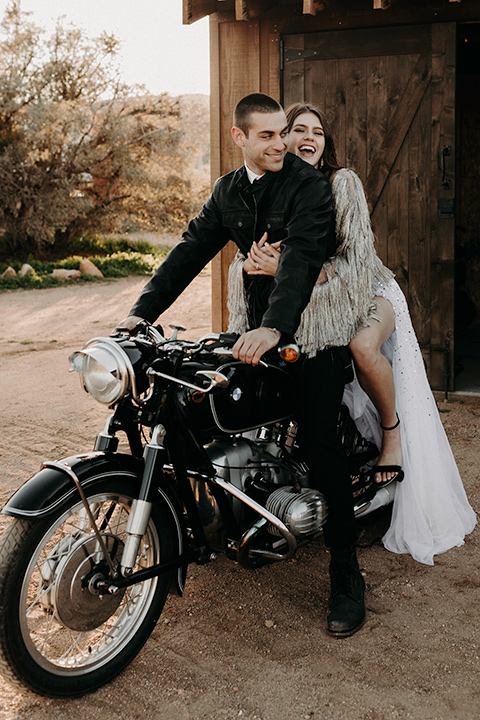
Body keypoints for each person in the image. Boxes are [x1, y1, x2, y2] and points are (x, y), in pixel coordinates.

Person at [119, 93, 367, 638]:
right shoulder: (227, 191)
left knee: (322, 444)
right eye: (268, 136)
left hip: (311, 334)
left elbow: (301, 257)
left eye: (285, 133)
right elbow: (189, 250)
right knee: (197, 406)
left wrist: (275, 327)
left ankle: (346, 572)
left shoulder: (310, 185)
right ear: (240, 139)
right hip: (255, 331)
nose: (282, 144)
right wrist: (140, 314)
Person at [227, 102, 477, 566]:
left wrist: (285, 268)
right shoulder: (275, 189)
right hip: (314, 305)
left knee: (363, 347)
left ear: (325, 144)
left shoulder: (341, 184)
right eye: (295, 129)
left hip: (369, 291)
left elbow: (357, 265)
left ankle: (392, 435)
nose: (305, 137)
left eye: (316, 132)